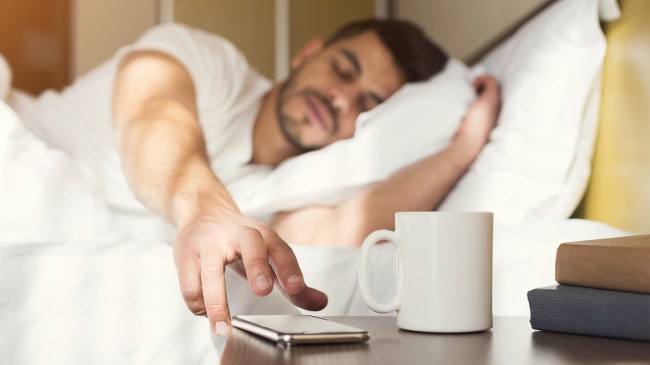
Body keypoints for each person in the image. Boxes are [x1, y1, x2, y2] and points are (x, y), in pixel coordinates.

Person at [14, 19, 499, 336]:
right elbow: (154, 117)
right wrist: (206, 210)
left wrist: (463, 147)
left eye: (367, 104)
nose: (340, 99)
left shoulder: (295, 183)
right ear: (306, 54)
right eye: (342, 69)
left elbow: (343, 232)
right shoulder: (204, 58)